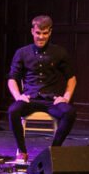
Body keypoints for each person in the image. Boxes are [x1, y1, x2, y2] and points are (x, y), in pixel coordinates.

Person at [7, 14, 78, 161]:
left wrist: (66, 97)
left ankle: (54, 152)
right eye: (38, 33)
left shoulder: (59, 52)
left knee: (69, 112)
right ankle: (22, 151)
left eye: (45, 33)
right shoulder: (22, 52)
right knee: (13, 110)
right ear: (32, 31)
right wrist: (18, 96)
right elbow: (12, 79)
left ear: (50, 32)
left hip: (51, 100)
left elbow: (72, 78)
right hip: (29, 99)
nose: (41, 37)